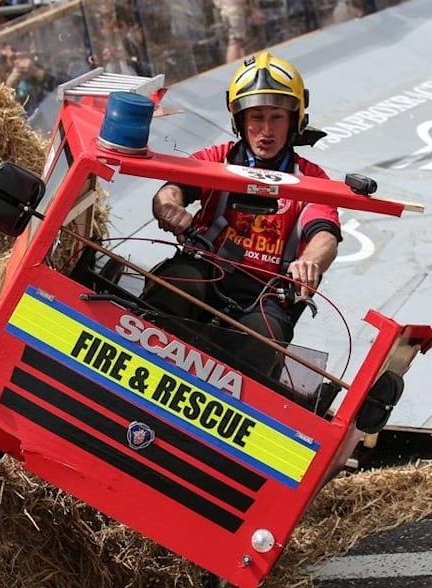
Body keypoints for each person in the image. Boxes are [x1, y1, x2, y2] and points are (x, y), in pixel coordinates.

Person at [145, 52, 340, 377]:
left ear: (294, 119)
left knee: (262, 342)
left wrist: (311, 263)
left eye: (276, 117)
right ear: (239, 119)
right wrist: (169, 206)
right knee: (172, 288)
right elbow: (172, 189)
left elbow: (325, 235)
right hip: (206, 269)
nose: (266, 130)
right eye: (256, 117)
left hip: (267, 294)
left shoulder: (312, 179)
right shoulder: (215, 158)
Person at [2, 48, 58, 117]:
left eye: (15, 52)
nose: (17, 62)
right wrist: (8, 88)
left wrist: (38, 73)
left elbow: (63, 84)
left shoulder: (44, 64)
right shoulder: (4, 81)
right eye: (12, 59)